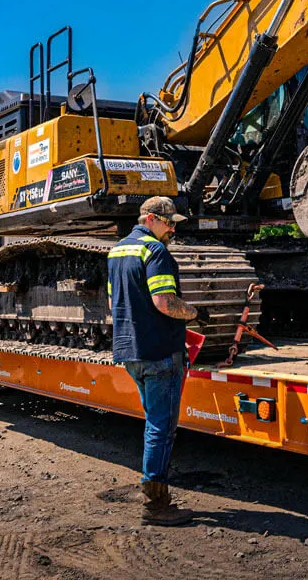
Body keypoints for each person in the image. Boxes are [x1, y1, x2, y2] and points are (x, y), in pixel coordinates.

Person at [108, 196, 203, 526]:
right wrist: (193, 313)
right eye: (169, 222)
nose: (173, 228)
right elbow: (164, 302)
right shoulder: (155, 251)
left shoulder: (118, 250)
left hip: (130, 350)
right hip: (160, 350)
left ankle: (153, 491)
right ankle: (156, 505)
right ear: (149, 219)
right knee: (162, 428)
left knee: (153, 422)